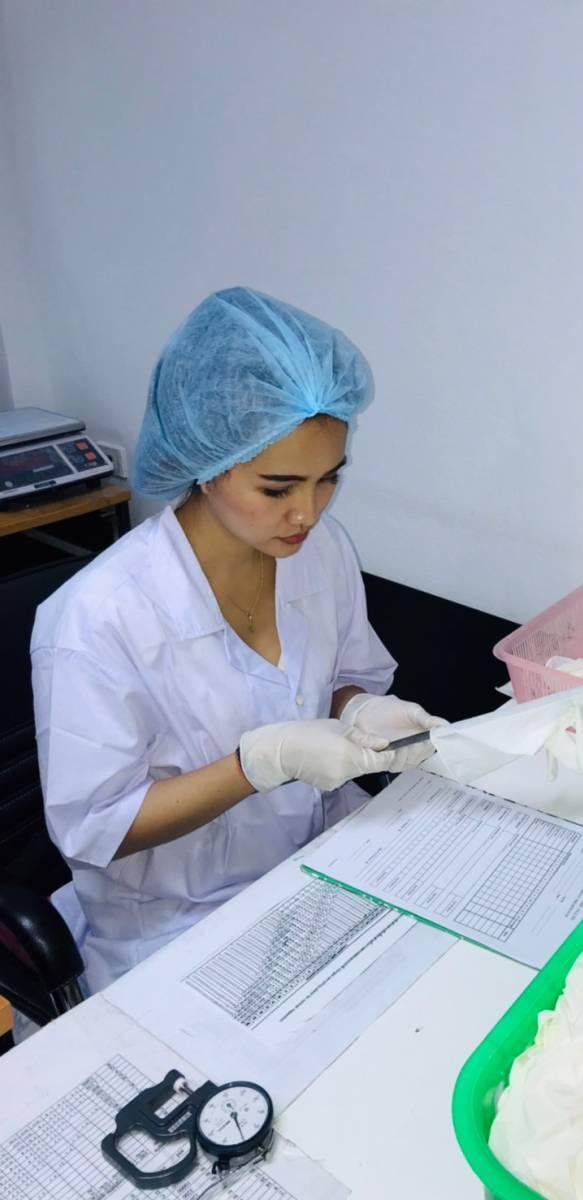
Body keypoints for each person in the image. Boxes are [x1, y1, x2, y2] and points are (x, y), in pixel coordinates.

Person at [31, 286, 444, 992]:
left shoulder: (321, 552)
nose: (307, 512)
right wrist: (258, 763)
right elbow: (99, 826)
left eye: (328, 480)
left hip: (321, 862)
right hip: (177, 924)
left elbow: (346, 674)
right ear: (208, 459)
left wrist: (356, 711)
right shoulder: (97, 619)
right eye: (278, 486)